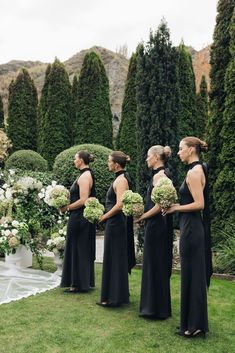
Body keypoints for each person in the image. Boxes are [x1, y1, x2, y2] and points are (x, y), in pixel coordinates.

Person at [163, 136, 212, 338]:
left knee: (193, 276)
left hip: (191, 227)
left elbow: (199, 204)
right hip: (190, 226)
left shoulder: (194, 172)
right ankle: (190, 322)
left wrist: (176, 207)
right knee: (191, 275)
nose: (178, 152)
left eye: (181, 148)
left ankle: (194, 325)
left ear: (191, 150)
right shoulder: (196, 170)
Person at [137, 145, 173, 319]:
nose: (146, 159)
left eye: (148, 156)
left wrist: (143, 216)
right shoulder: (161, 174)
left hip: (157, 224)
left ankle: (153, 309)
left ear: (157, 157)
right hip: (158, 224)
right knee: (154, 263)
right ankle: (157, 307)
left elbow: (160, 206)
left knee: (154, 263)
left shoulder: (160, 176)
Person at [97, 151, 133, 307]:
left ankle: (114, 297)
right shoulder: (119, 178)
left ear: (117, 164)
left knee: (115, 258)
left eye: (109, 161)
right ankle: (113, 295)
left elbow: (120, 204)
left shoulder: (121, 180)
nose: (108, 163)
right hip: (114, 222)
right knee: (112, 257)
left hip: (116, 223)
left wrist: (104, 216)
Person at [60, 150, 96, 293]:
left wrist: (67, 208)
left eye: (75, 159)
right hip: (78, 216)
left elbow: (83, 200)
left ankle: (77, 283)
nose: (74, 161)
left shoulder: (85, 176)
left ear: (81, 160)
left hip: (80, 218)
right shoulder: (83, 175)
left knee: (78, 248)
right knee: (76, 247)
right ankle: (77, 282)